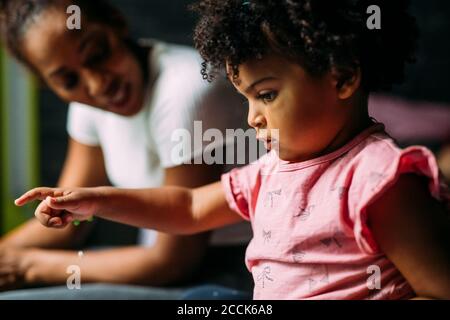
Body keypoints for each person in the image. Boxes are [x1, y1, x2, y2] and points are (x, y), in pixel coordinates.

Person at [16, 0, 450, 300]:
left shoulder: (380, 179)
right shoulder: (270, 170)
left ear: (341, 78)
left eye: (265, 95)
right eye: (245, 99)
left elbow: (437, 290)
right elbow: (186, 206)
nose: (251, 118)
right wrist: (96, 201)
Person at [0, 0, 252, 298]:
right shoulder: (90, 104)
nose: (96, 84)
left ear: (116, 23)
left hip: (231, 273)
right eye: (68, 80)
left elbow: (172, 260)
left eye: (97, 53)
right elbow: (68, 223)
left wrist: (30, 267)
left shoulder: (187, 90)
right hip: (155, 263)